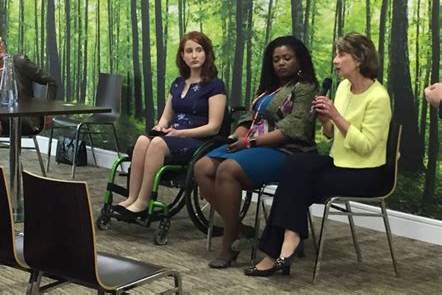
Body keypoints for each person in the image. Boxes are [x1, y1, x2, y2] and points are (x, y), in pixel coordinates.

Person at [244, 33, 391, 277]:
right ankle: (286, 244)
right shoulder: (344, 87)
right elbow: (331, 135)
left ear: (359, 59)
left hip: (367, 173)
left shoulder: (379, 97)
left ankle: (277, 251)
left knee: (297, 182)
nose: (335, 61)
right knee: (295, 164)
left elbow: (365, 146)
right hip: (339, 163)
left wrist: (335, 115)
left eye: (341, 55)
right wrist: (325, 119)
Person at [194, 36, 318, 269]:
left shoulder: (306, 88)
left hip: (287, 151)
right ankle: (240, 229)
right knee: (202, 167)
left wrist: (250, 143)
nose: (281, 63)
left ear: (299, 60)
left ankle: (229, 241)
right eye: (276, 59)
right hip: (253, 144)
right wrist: (236, 136)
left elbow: (294, 128)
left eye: (287, 58)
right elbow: (249, 118)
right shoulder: (269, 89)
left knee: (228, 170)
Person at [113, 31, 226, 219]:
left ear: (207, 53)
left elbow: (214, 127)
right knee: (142, 140)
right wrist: (161, 127)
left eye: (199, 50)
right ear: (182, 55)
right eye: (189, 51)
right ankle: (131, 198)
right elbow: (166, 117)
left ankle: (143, 201)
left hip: (198, 141)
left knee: (157, 144)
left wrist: (181, 134)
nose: (194, 55)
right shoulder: (178, 83)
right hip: (173, 136)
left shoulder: (215, 86)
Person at [0, 29, 58, 164]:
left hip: (25, 118)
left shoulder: (20, 63)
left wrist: (47, 112)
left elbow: (51, 82)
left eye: (0, 43)